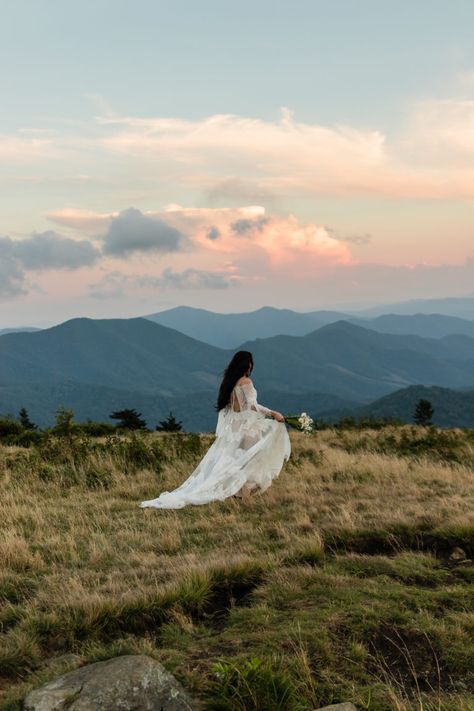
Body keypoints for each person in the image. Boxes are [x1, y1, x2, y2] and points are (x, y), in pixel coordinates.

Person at [140, 350, 291, 509]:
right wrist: (273, 413)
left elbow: (228, 409)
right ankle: (244, 491)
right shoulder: (246, 382)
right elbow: (252, 406)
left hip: (233, 429)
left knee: (236, 460)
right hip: (246, 427)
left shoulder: (228, 382)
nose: (251, 366)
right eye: (250, 363)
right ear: (247, 364)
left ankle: (236, 491)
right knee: (256, 456)